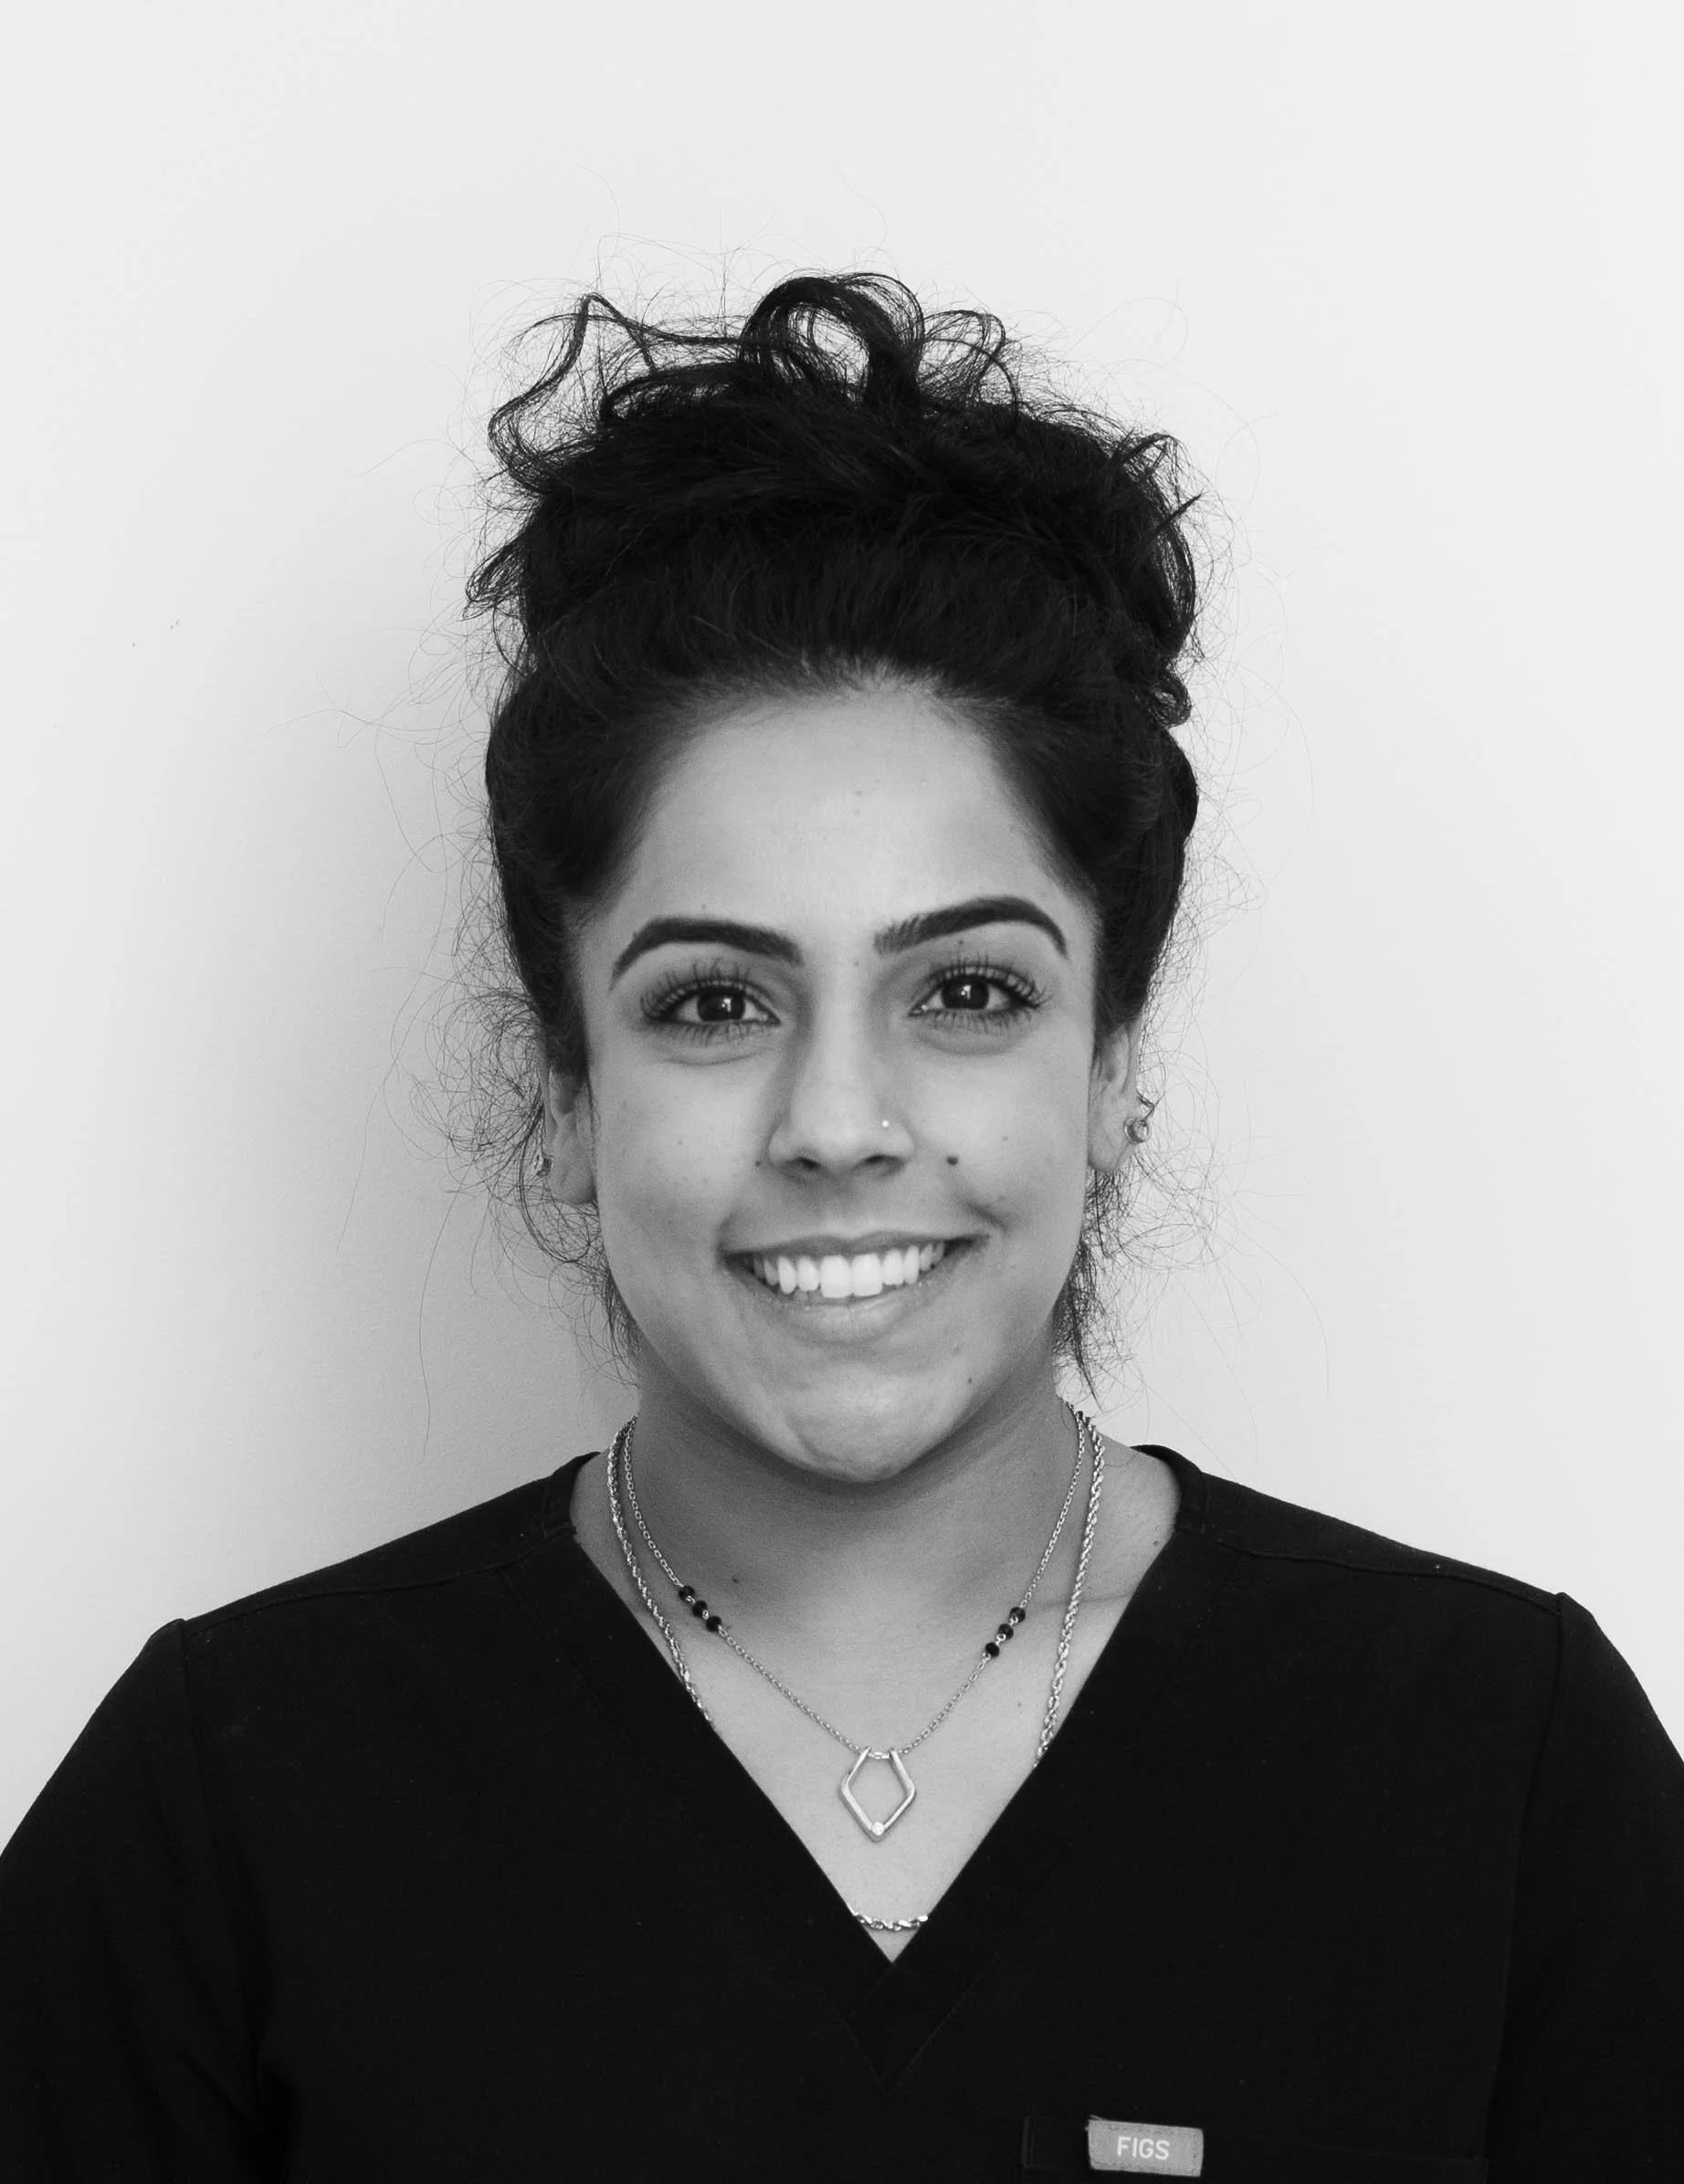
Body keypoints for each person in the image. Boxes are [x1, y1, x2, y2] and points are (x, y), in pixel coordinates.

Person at [2, 271, 1680, 2183]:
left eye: (964, 990)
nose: (837, 1124)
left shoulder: (1497, 1769)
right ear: (567, 1093)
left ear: (1112, 1063)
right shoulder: (233, 1804)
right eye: (714, 1002)